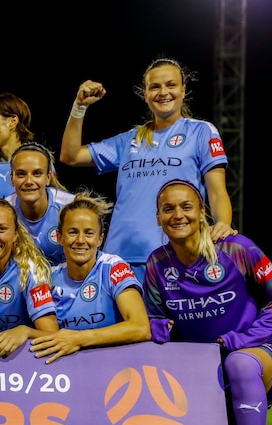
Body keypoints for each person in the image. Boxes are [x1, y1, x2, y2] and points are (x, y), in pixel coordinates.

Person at [143, 180, 272, 425]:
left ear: (202, 213)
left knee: (238, 362)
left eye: (187, 207)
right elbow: (155, 317)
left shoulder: (236, 248)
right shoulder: (157, 264)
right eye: (168, 209)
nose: (177, 215)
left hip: (264, 358)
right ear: (158, 218)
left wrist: (241, 340)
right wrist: (163, 335)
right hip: (206, 375)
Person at [59, 56, 233, 279]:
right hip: (120, 257)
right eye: (155, 87)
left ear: (183, 90)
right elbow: (70, 155)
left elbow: (217, 191)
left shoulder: (201, 132)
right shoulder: (129, 140)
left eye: (171, 85)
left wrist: (223, 225)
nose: (163, 92)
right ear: (145, 94)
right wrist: (79, 107)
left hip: (175, 255)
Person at [29, 190, 150, 364]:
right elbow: (50, 336)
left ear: (100, 239)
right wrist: (25, 331)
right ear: (59, 237)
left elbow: (141, 327)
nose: (80, 240)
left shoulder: (113, 267)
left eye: (89, 233)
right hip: (67, 370)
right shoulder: (47, 279)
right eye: (72, 232)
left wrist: (79, 339)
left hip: (117, 367)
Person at [0, 197, 59, 359]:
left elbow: (52, 335)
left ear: (15, 234)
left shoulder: (29, 272)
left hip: (18, 363)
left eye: (1, 229)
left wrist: (25, 331)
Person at [6, 142, 75, 265]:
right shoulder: (3, 211)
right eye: (21, 174)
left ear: (48, 178)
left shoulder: (71, 208)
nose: (29, 181)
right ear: (12, 179)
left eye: (37, 173)